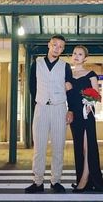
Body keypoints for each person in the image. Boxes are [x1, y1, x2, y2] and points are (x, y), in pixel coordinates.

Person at [25, 35, 74, 193]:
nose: (57, 48)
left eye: (61, 46)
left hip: (59, 108)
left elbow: (69, 89)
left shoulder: (65, 66)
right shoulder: (37, 63)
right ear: (49, 45)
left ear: (63, 49)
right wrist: (39, 101)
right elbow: (32, 85)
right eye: (55, 45)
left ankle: (55, 181)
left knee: (58, 147)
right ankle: (38, 182)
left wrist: (71, 109)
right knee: (39, 148)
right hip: (41, 108)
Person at [66, 45, 103, 192]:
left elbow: (97, 95)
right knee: (79, 147)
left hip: (86, 113)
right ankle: (83, 179)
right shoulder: (67, 76)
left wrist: (90, 103)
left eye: (80, 54)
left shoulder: (91, 74)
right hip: (74, 115)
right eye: (75, 53)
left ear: (85, 58)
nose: (76, 56)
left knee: (87, 146)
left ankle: (84, 180)